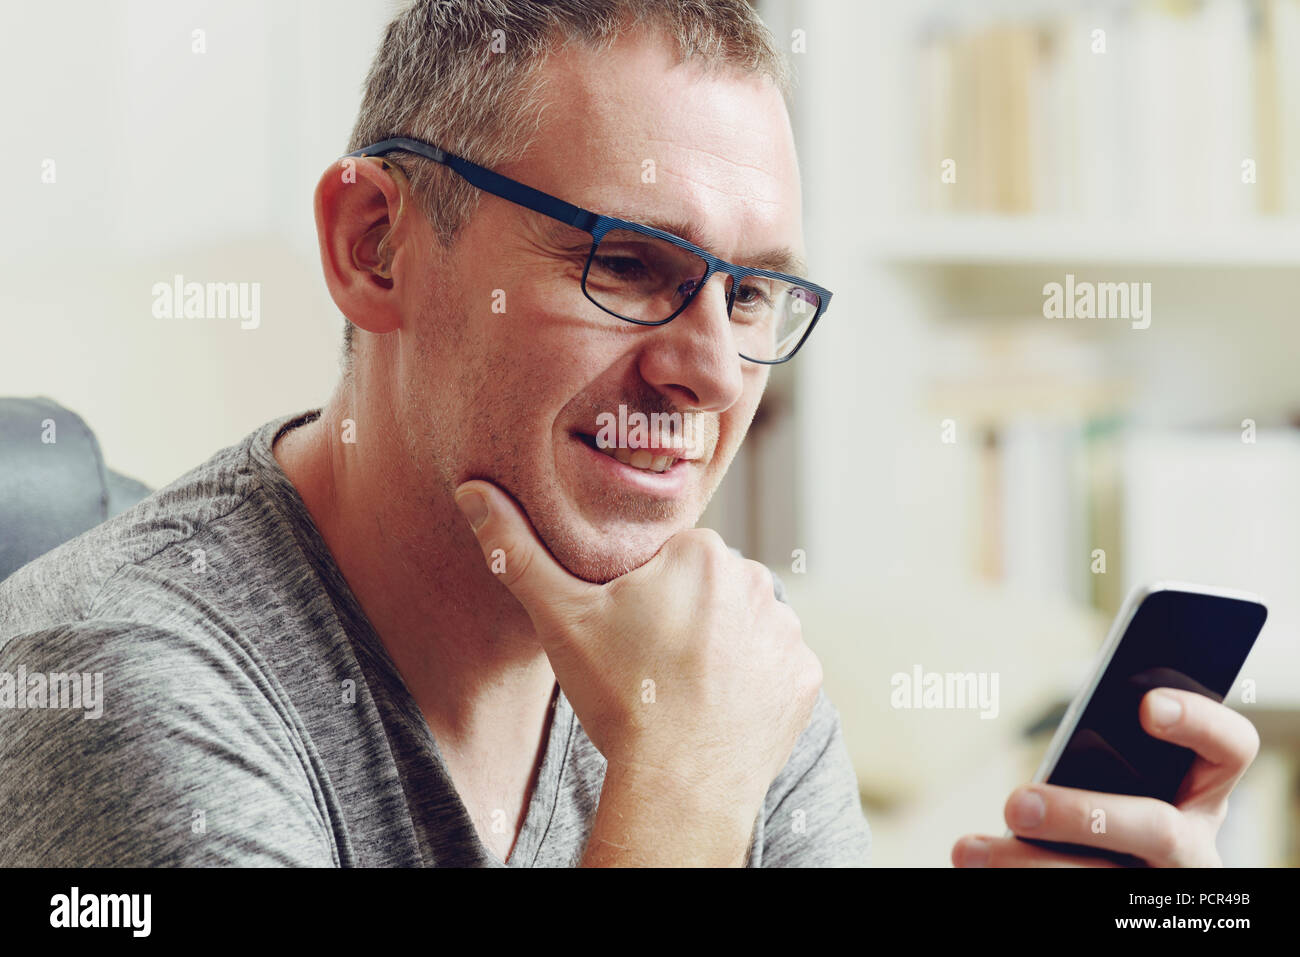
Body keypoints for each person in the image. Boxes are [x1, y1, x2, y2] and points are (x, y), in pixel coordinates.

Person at [0, 0, 1258, 869]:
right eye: (629, 263)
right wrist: (682, 783)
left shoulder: (722, 659)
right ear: (374, 248)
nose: (711, 370)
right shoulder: (115, 690)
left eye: (752, 291)